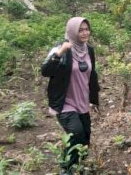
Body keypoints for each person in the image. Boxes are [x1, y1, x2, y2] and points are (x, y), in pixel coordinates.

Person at [41, 17, 100, 175]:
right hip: (64, 102)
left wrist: (94, 99)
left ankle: (78, 166)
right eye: (80, 30)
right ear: (72, 31)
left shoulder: (89, 50)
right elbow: (45, 71)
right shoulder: (60, 48)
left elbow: (91, 75)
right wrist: (61, 52)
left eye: (87, 29)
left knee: (85, 138)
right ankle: (66, 169)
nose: (84, 32)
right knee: (75, 132)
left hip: (82, 101)